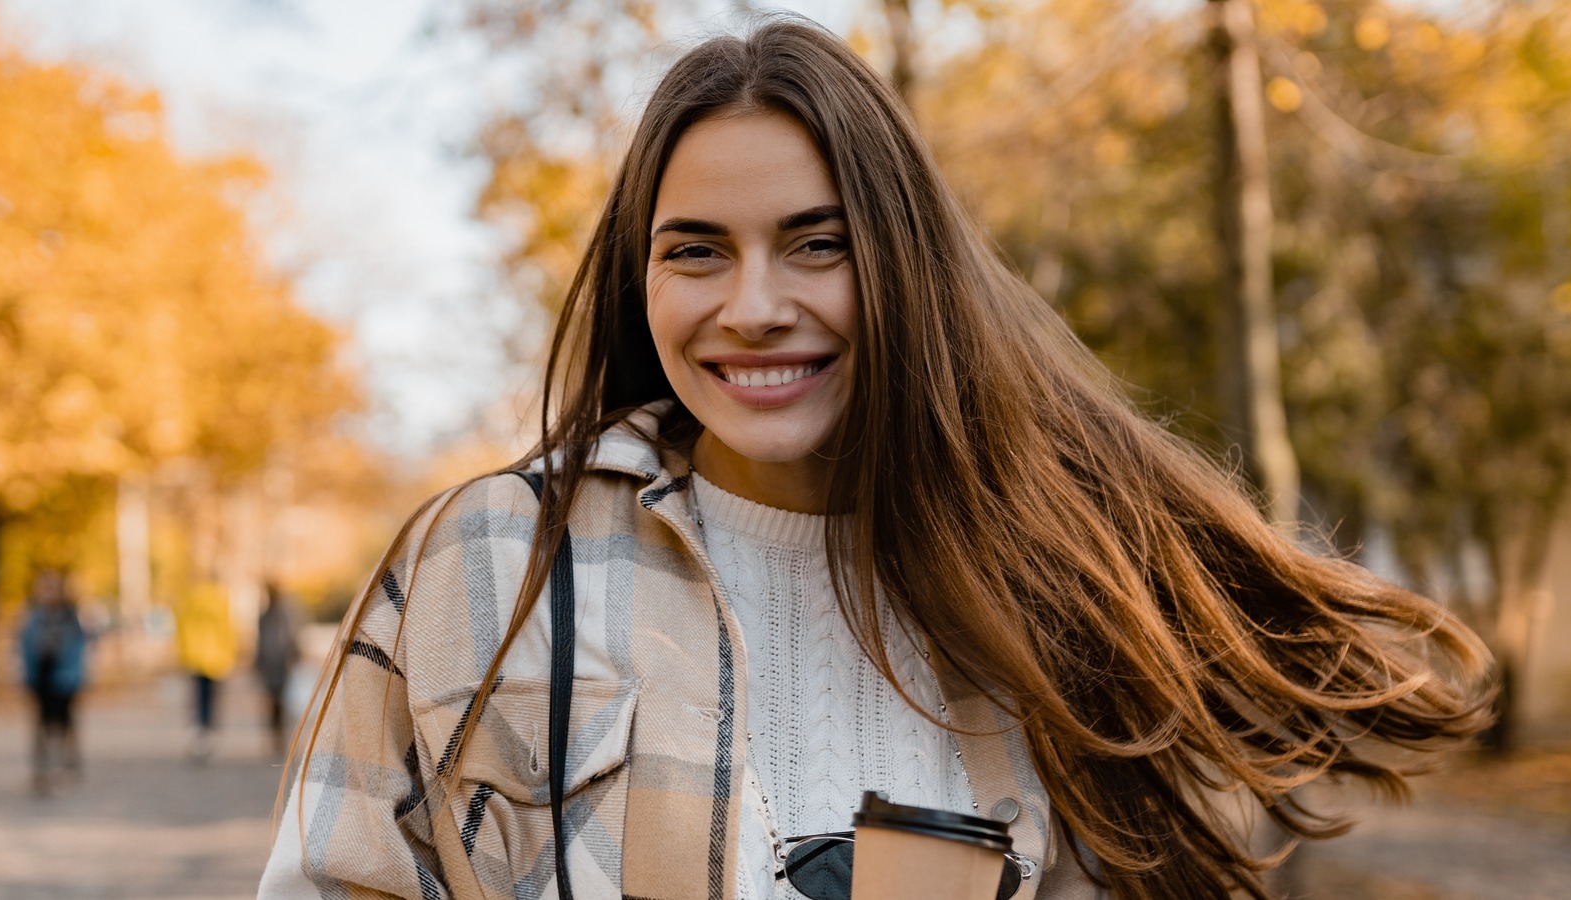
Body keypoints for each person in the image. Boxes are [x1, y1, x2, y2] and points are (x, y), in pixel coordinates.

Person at [261, 17, 1491, 900]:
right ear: (641, 285)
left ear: (904, 266)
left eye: (816, 245)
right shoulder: (485, 561)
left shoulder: (1041, 582)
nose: (751, 306)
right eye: (694, 251)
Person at [19, 569, 88, 794]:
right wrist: (26, 676)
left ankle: (66, 762)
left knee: (64, 722)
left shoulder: (70, 617)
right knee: (40, 724)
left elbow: (78, 649)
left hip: (64, 678)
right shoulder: (33, 617)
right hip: (40, 677)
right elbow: (24, 647)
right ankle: (42, 769)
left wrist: (75, 677)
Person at [175, 580, 236, 762]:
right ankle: (208, 735)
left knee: (198, 699)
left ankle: (199, 736)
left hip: (195, 657)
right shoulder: (220, 599)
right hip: (217, 658)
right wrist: (229, 654)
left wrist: (184, 654)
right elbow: (228, 630)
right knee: (212, 700)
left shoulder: (190, 599)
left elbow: (182, 629)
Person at [254, 583, 299, 757]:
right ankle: (275, 735)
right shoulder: (264, 617)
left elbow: (292, 637)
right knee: (272, 702)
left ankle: (280, 735)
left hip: (281, 663)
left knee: (280, 701)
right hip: (270, 663)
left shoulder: (284, 616)